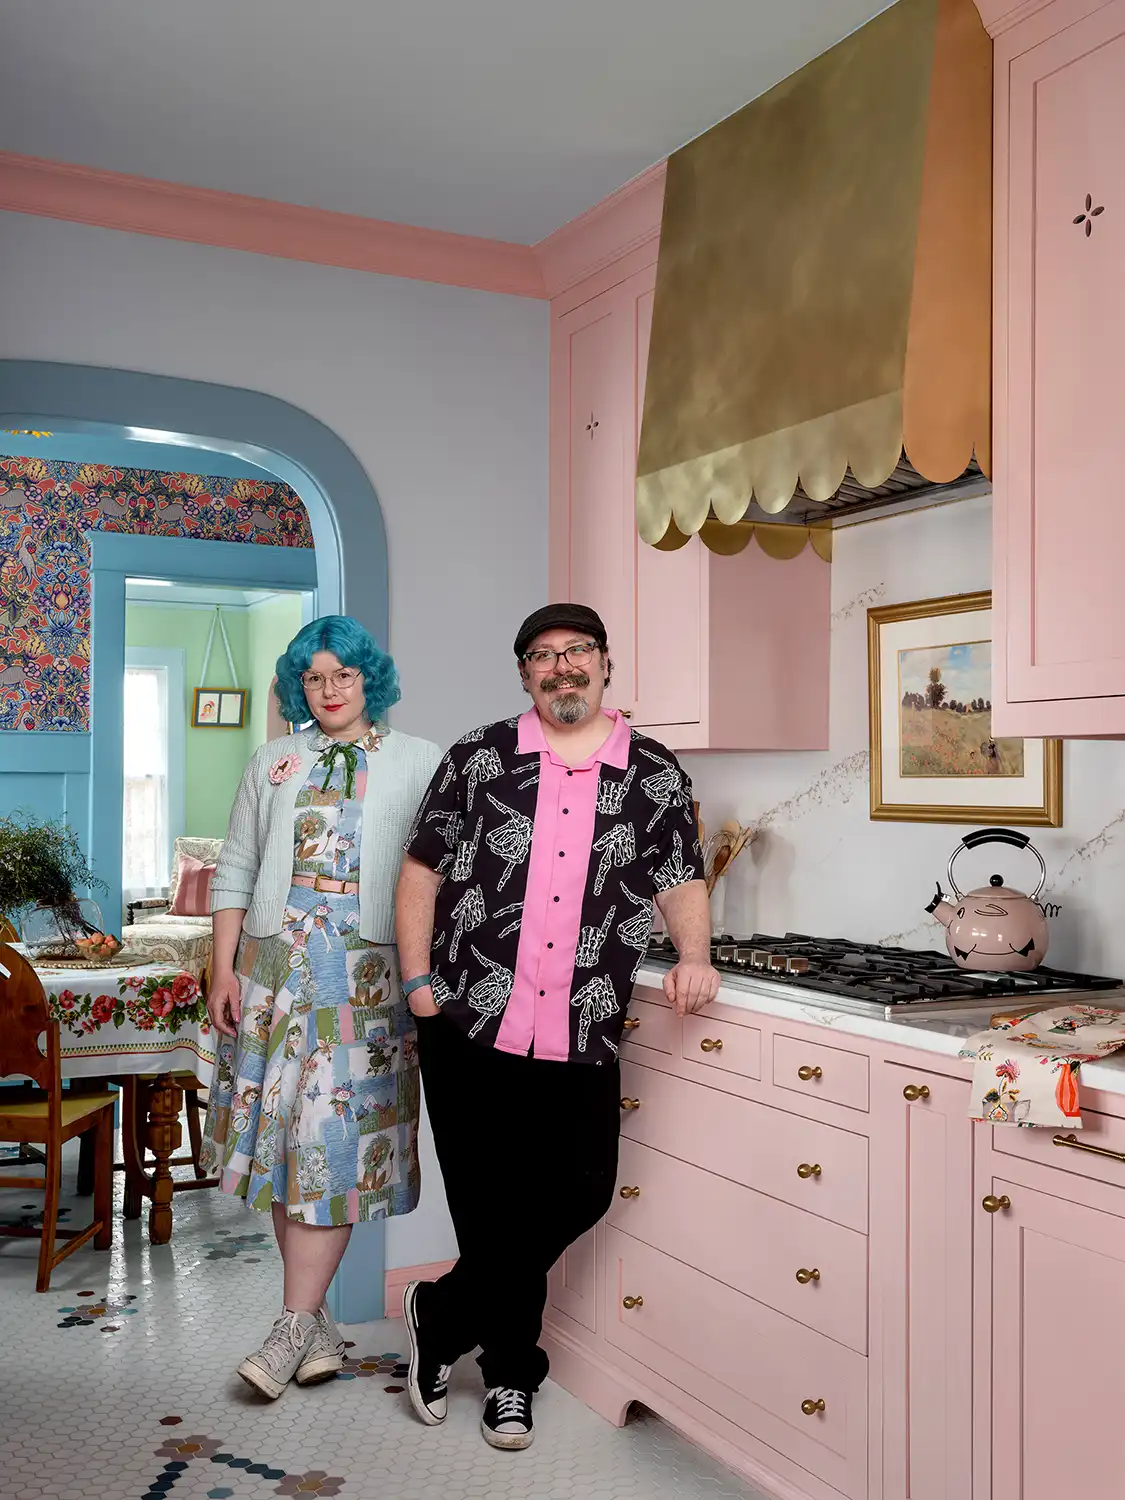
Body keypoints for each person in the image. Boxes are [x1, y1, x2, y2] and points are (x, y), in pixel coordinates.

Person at [394, 602, 719, 1450]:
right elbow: (420, 872)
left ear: (605, 664)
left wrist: (695, 954)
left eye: (576, 651)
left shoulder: (651, 770)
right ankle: (510, 1373)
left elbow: (678, 874)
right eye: (542, 656)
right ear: (524, 675)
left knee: (579, 1190)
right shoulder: (477, 757)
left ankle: (442, 1310)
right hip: (466, 1015)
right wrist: (419, 984)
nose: (561, 667)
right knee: (489, 1207)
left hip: (583, 1022)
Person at [200, 615, 440, 1400]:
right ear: (297, 685)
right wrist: (222, 970)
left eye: (344, 675)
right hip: (274, 974)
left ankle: (290, 1328)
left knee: (328, 1146)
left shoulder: (420, 762)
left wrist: (423, 974)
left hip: (366, 984)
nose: (330, 690)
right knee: (285, 1150)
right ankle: (312, 1323)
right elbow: (234, 870)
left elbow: (437, 877)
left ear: (370, 680)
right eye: (313, 677)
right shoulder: (274, 760)